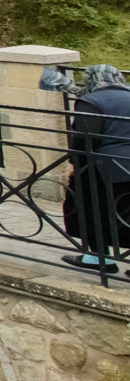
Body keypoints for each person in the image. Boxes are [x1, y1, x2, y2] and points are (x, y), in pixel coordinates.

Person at [65, 65, 130, 273]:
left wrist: (74, 165)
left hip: (107, 166)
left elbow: (84, 138)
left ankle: (99, 257)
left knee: (87, 206)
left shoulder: (91, 101)